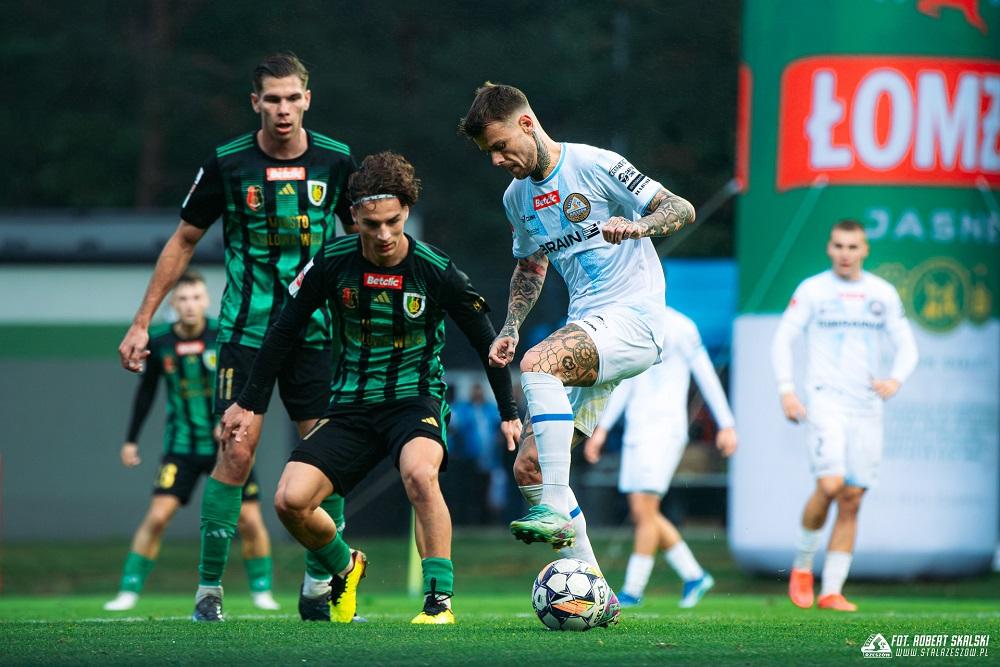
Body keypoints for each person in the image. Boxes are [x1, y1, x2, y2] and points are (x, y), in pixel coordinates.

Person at [219, 151, 521, 625]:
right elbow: (283, 330)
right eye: (371, 223)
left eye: (393, 222)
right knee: (289, 502)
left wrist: (508, 411)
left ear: (407, 212)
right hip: (350, 406)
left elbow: (488, 341)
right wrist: (248, 402)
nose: (383, 234)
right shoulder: (331, 261)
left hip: (414, 400)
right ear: (354, 216)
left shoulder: (435, 269)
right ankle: (345, 566)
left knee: (419, 475)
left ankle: (438, 602)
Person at [117, 53, 357, 622]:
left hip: (316, 334)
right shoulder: (228, 162)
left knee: (326, 458)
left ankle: (322, 585)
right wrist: (142, 320)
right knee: (236, 448)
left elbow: (360, 241)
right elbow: (183, 240)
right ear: (256, 103)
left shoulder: (337, 160)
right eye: (272, 99)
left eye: (292, 97)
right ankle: (209, 594)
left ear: (307, 99)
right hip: (247, 333)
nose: (283, 109)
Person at [458, 83, 695, 625]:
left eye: (500, 147)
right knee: (530, 466)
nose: (497, 160)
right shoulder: (516, 198)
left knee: (537, 365)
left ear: (526, 123)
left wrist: (637, 225)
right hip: (588, 330)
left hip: (635, 320)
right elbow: (531, 265)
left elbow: (678, 207)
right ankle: (599, 596)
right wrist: (511, 326)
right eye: (489, 153)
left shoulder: (594, 164)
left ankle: (552, 509)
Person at [104, 272, 279, 613]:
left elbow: (247, 382)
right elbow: (146, 392)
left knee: (250, 520)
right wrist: (130, 441)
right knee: (157, 517)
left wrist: (228, 419)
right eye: (183, 298)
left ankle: (262, 592)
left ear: (206, 300)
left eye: (196, 297)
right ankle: (128, 590)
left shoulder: (224, 336)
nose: (190, 305)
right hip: (181, 447)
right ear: (173, 302)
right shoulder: (160, 342)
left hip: (226, 447)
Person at [771, 219, 918, 612]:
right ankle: (803, 565)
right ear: (829, 248)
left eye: (853, 247)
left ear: (864, 250)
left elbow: (907, 346)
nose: (845, 254)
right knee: (831, 484)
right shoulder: (813, 290)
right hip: (826, 401)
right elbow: (783, 338)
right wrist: (787, 389)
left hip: (866, 406)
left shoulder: (882, 293)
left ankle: (832, 590)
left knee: (852, 497)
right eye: (839, 246)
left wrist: (896, 379)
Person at [584, 306, 737, 608]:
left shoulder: (681, 326)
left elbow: (706, 374)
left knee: (645, 511)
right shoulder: (633, 323)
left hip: (665, 430)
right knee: (643, 512)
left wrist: (727, 424)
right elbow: (626, 383)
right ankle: (694, 575)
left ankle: (633, 590)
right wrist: (603, 429)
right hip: (636, 431)